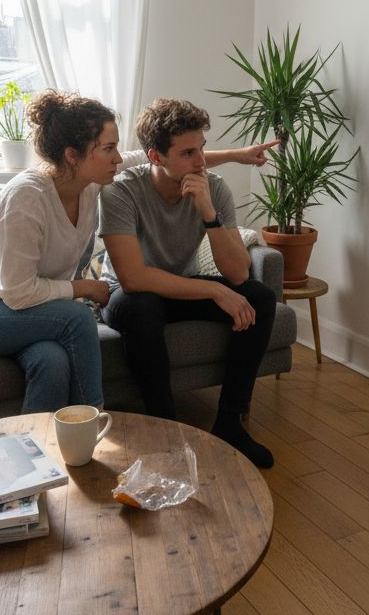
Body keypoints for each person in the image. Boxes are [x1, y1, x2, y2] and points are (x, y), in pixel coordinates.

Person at [0, 90, 273, 414]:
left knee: (50, 361)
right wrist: (81, 288)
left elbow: (158, 158)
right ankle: (94, 418)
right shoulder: (26, 199)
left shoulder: (91, 183)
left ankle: (37, 455)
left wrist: (236, 155)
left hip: (27, 311)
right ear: (73, 155)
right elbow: (16, 292)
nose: (118, 158)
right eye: (109, 148)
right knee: (78, 318)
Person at [99, 98, 279, 468]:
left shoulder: (213, 188)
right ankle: (167, 430)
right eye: (188, 153)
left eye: (202, 149)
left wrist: (209, 216)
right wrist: (214, 290)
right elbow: (134, 278)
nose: (200, 161)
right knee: (142, 304)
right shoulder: (120, 192)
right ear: (156, 156)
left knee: (258, 296)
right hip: (126, 296)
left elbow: (239, 275)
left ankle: (230, 423)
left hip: (179, 286)